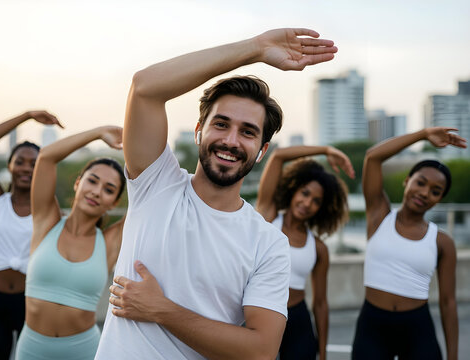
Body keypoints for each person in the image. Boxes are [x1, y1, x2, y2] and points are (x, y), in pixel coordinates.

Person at [95, 28, 338, 360]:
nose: (231, 141)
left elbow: (261, 350)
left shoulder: (268, 243)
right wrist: (255, 48)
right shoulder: (156, 183)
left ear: (263, 150)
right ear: (199, 131)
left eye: (248, 132)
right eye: (221, 124)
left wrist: (162, 310)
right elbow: (145, 87)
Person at [352, 127, 466, 360]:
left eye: (435, 191)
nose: (425, 193)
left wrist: (453, 356)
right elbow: (373, 157)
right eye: (420, 183)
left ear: (439, 200)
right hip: (373, 327)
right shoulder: (379, 215)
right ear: (406, 181)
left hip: (417, 329)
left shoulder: (442, 241)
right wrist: (423, 135)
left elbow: (448, 302)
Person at [14, 126, 126, 360]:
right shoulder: (46, 221)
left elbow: (152, 190)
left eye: (108, 189)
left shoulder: (110, 241)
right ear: (78, 183)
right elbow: (46, 157)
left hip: (84, 350)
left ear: (114, 203)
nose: (96, 192)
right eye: (92, 181)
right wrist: (99, 132)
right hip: (32, 349)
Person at [0, 110, 62, 360]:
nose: (26, 168)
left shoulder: (48, 210)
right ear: (10, 165)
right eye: (20, 161)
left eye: (35, 164)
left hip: (32, 303)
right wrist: (27, 115)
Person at [256, 145, 352, 360]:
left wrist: (324, 352)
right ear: (294, 189)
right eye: (305, 193)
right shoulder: (268, 218)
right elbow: (279, 157)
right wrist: (325, 150)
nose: (307, 203)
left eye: (316, 201)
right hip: (258, 315)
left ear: (322, 207)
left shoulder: (318, 248)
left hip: (298, 321)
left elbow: (320, 303)